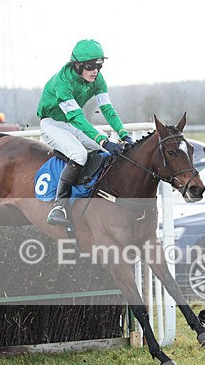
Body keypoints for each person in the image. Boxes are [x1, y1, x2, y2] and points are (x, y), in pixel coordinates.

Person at [37, 39, 133, 225]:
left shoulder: (98, 79)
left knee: (106, 147)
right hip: (52, 124)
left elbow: (107, 109)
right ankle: (59, 206)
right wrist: (103, 141)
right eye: (90, 66)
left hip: (70, 122)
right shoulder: (62, 82)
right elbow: (77, 117)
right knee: (79, 154)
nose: (95, 71)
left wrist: (123, 134)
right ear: (77, 65)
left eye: (99, 66)